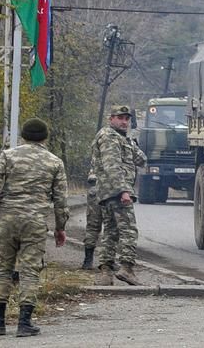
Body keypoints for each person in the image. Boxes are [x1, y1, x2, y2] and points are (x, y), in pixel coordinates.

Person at [0, 118, 69, 337]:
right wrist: (60, 228)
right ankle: (24, 323)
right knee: (30, 270)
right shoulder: (55, 162)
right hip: (35, 222)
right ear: (45, 137)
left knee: (2, 269)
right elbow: (61, 201)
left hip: (8, 219)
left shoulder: (7, 156)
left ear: (23, 135)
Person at [91, 105, 147, 286]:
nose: (124, 122)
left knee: (111, 231)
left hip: (109, 192)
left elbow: (142, 160)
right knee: (129, 230)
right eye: (120, 118)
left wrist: (130, 142)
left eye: (127, 119)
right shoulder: (108, 137)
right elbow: (112, 166)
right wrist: (123, 191)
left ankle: (106, 273)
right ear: (111, 118)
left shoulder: (122, 139)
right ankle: (127, 268)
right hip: (116, 191)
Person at [81, 168, 103, 270]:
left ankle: (88, 261)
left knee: (93, 226)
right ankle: (107, 261)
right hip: (110, 189)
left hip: (97, 188)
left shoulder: (99, 153)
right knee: (111, 227)